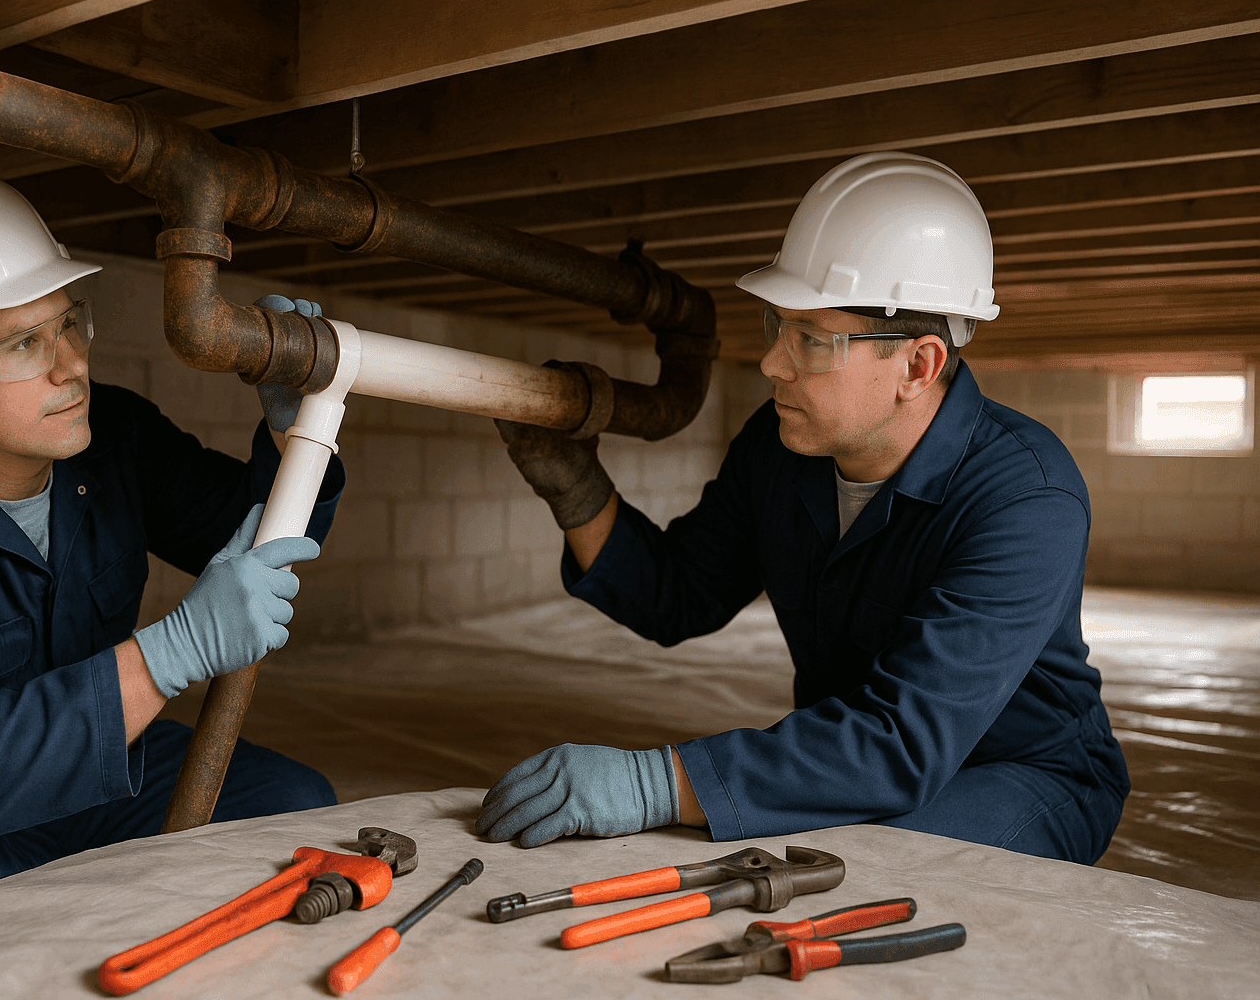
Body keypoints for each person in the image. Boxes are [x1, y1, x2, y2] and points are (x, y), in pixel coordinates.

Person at [476, 152, 1130, 864]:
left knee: (847, 869)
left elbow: (902, 741)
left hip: (1023, 774)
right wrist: (575, 486)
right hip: (863, 752)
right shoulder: (783, 445)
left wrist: (654, 782)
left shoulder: (1025, 496)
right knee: (777, 844)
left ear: (918, 365)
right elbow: (679, 593)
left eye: (813, 340)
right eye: (777, 325)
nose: (772, 364)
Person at [0, 164, 344, 919]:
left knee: (295, 807)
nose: (72, 364)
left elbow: (267, 537)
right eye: (23, 345)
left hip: (108, 763)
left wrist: (297, 435)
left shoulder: (113, 436)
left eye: (68, 324)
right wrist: (173, 650)